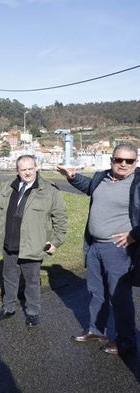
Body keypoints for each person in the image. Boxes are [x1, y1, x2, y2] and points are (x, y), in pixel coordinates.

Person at [0, 155, 68, 327]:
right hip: (9, 243)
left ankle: (33, 312)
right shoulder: (8, 187)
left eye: (30, 169)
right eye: (23, 169)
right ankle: (8, 308)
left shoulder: (49, 190)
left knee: (32, 282)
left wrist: (56, 241)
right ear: (17, 171)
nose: (27, 173)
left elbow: (61, 219)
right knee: (9, 278)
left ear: (36, 168)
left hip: (33, 245)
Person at [57, 142, 139, 355]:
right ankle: (97, 330)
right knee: (96, 292)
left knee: (119, 296)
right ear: (111, 160)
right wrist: (72, 177)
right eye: (118, 159)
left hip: (118, 249)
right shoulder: (102, 177)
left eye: (128, 161)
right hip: (94, 246)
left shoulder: (138, 183)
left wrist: (134, 234)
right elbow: (88, 186)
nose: (123, 164)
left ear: (135, 162)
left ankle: (126, 341)